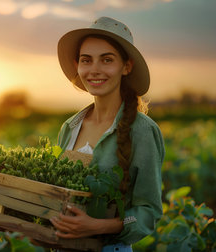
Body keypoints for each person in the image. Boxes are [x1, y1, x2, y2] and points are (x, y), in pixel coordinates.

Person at [49, 17, 165, 252]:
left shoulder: (143, 131)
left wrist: (97, 226)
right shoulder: (70, 127)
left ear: (126, 66)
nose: (94, 70)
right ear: (77, 65)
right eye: (86, 60)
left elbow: (148, 213)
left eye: (107, 60)